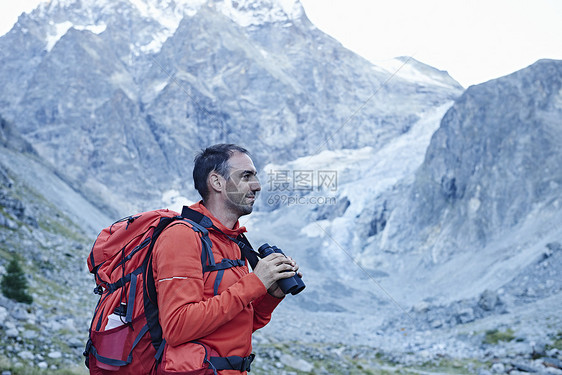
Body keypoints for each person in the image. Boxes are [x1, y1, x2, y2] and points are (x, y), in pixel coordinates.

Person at [152, 143, 300, 374]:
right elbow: (177, 327)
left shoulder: (231, 240)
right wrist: (254, 283)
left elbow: (237, 323)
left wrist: (271, 294)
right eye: (246, 176)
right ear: (217, 182)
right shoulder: (181, 236)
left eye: (255, 176)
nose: (257, 186)